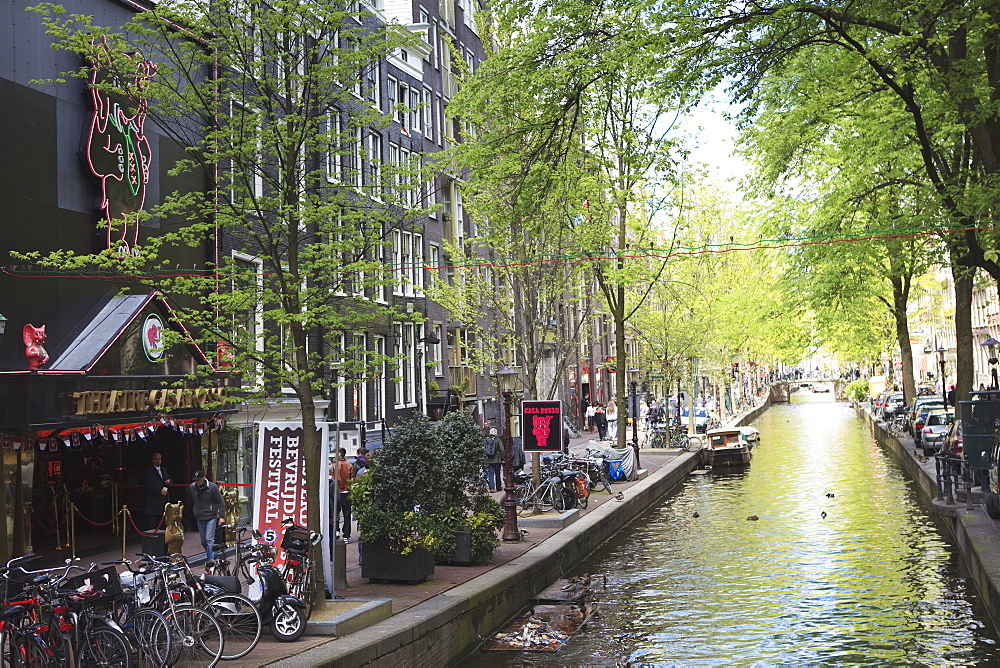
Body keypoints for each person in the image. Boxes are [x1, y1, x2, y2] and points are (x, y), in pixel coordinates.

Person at [187, 471, 225, 562]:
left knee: (209, 539)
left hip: (211, 516)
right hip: (199, 516)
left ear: (204, 478)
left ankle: (210, 561)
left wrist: (221, 516)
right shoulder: (192, 487)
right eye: (196, 480)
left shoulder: (212, 487)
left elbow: (220, 501)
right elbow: (191, 499)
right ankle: (213, 553)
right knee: (204, 541)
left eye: (199, 480)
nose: (197, 482)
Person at [142, 452, 173, 531]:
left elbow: (170, 479)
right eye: (156, 459)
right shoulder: (149, 471)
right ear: (152, 460)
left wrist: (169, 481)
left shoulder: (163, 470)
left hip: (163, 501)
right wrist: (159, 490)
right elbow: (147, 485)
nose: (158, 461)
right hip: (153, 501)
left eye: (159, 459)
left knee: (162, 522)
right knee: (152, 524)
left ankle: (161, 541)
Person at [331, 448, 355, 543]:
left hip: (337, 492)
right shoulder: (349, 465)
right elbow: (352, 480)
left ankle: (336, 530)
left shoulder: (334, 466)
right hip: (347, 492)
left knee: (335, 513)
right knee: (347, 514)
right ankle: (346, 535)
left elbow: (332, 479)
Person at [484, 428, 503, 492]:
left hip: (488, 460)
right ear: (495, 433)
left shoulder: (486, 440)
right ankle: (498, 487)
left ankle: (491, 488)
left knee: (490, 474)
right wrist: (503, 458)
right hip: (497, 460)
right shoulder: (497, 440)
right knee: (497, 474)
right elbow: (501, 450)